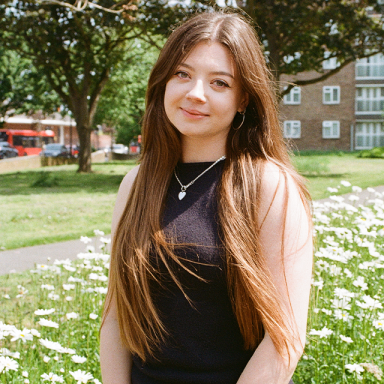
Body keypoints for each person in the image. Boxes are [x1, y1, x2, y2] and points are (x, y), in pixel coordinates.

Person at [100, 10, 313, 384]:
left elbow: (285, 339)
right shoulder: (135, 184)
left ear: (244, 98)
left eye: (219, 83)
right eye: (182, 74)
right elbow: (116, 316)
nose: (195, 93)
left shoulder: (269, 186)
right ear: (164, 81)